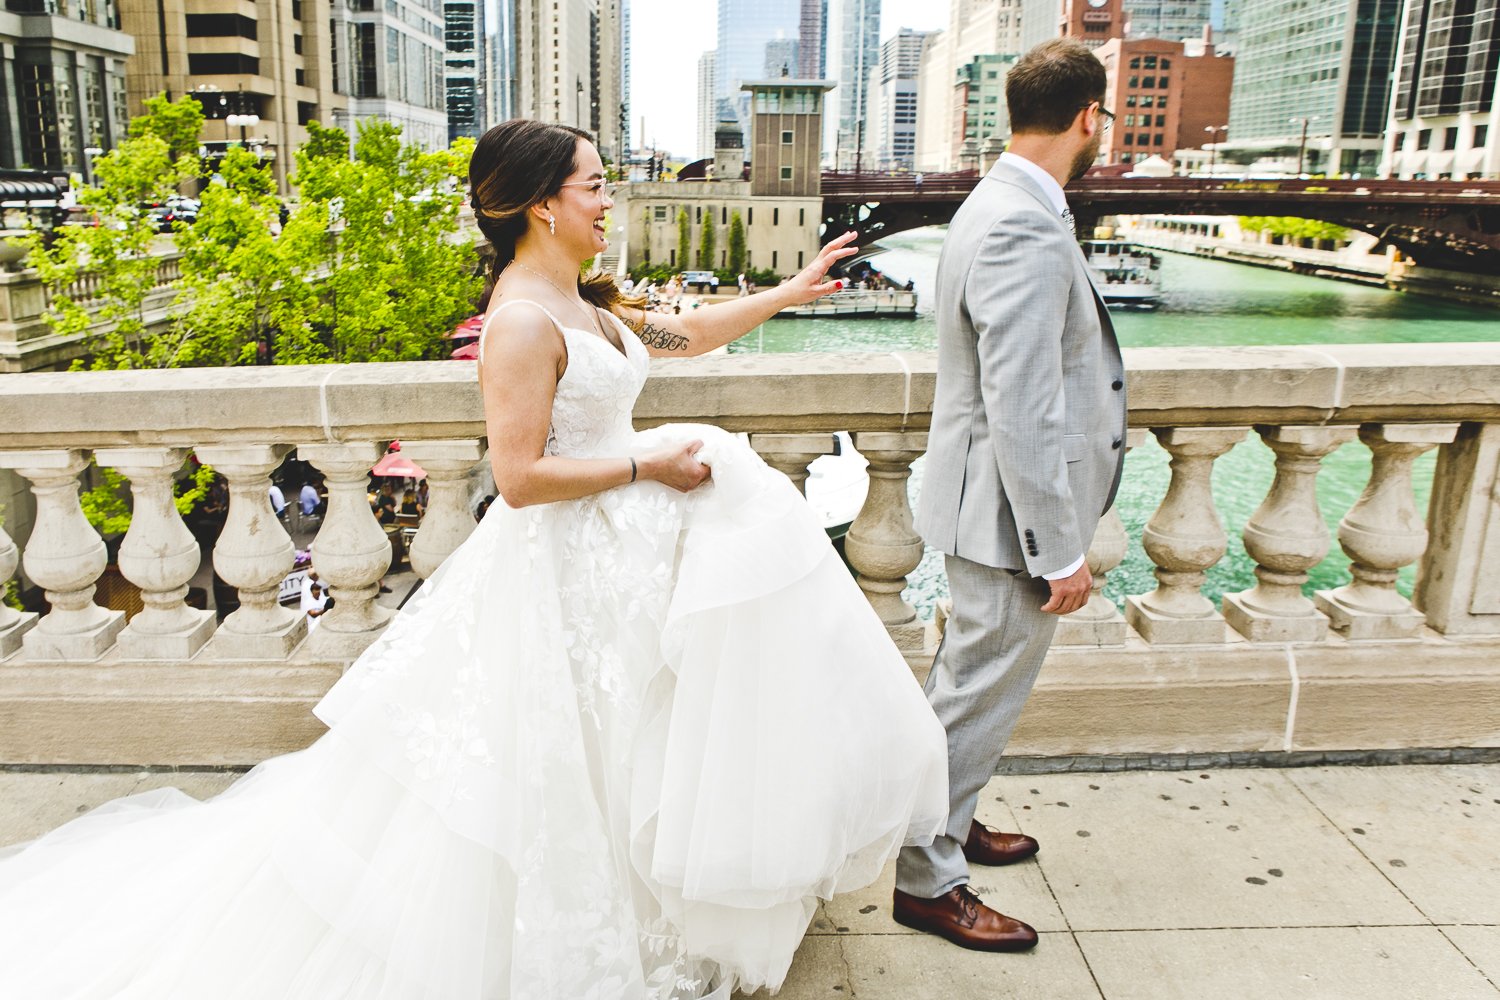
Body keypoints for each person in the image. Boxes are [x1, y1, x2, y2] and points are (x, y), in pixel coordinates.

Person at [0, 120, 948, 999]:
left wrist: (790, 290)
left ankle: (639, 911)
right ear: (544, 203)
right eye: (595, 185)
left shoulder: (589, 301)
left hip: (620, 555)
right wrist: (644, 462)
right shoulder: (523, 322)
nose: (607, 198)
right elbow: (520, 475)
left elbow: (685, 335)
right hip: (562, 560)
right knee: (555, 754)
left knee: (622, 743)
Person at [891, 38, 1127, 952]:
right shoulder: (1024, 221)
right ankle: (926, 877)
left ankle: (952, 820)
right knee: (975, 695)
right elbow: (1020, 403)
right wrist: (1058, 549)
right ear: (1087, 118)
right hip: (1007, 520)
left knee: (968, 684)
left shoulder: (1000, 202)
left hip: (986, 505)